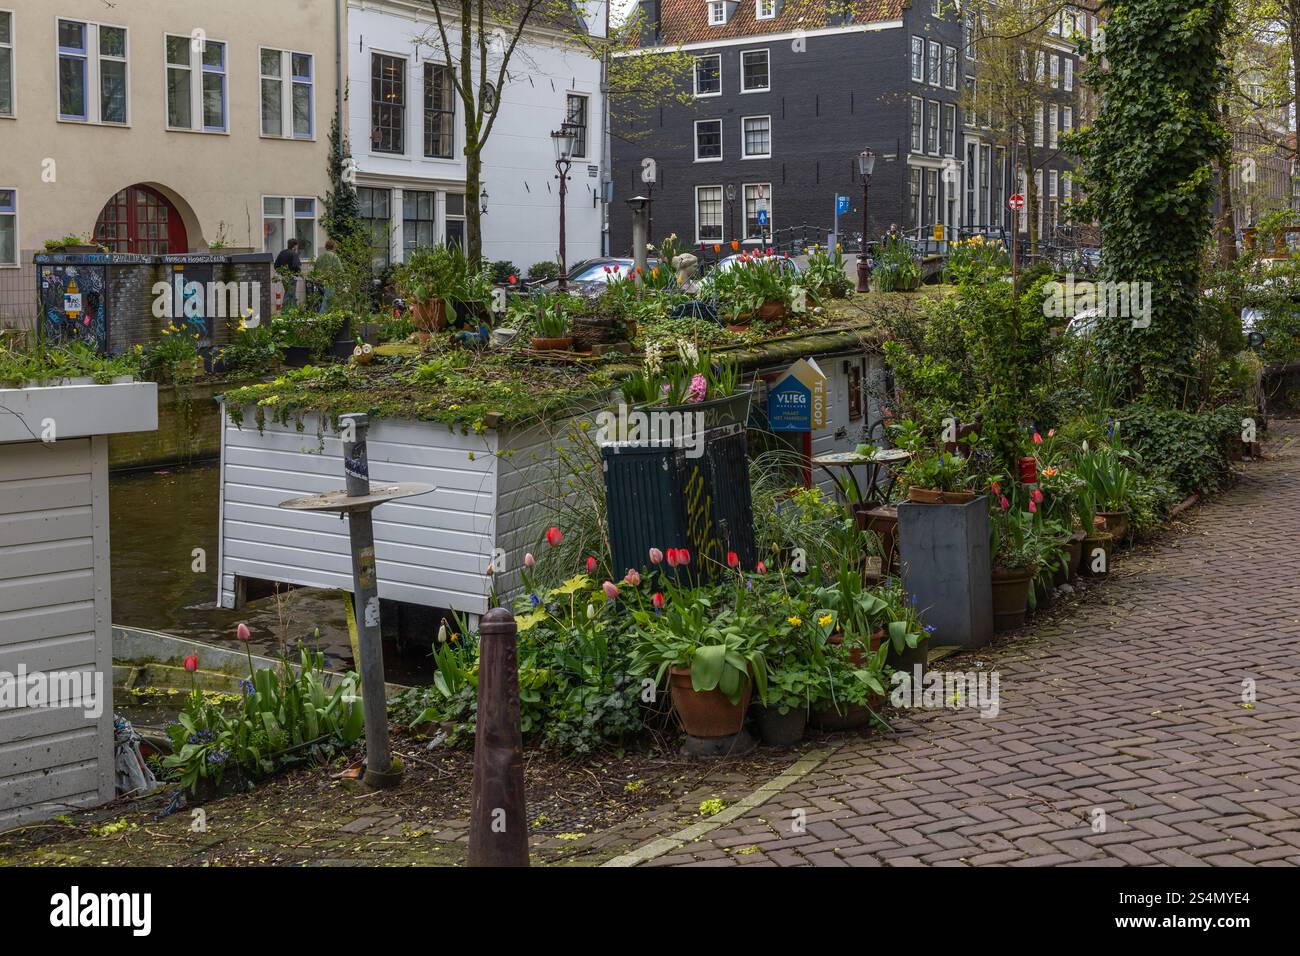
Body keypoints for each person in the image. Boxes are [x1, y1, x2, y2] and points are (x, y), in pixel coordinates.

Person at [312, 238, 341, 312]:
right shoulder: (334, 257)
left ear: (326, 247)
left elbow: (315, 270)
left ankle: (326, 317)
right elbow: (340, 270)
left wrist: (316, 281)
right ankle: (321, 318)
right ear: (334, 247)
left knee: (323, 301)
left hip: (319, 282)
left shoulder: (320, 257)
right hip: (330, 282)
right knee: (327, 302)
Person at [274, 238, 303, 307]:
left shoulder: (282, 253)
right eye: (297, 246)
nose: (297, 247)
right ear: (295, 246)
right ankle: (285, 310)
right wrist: (297, 272)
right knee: (289, 293)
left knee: (291, 294)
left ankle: (294, 310)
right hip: (292, 277)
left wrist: (282, 273)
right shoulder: (294, 254)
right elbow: (296, 266)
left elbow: (276, 266)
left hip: (284, 277)